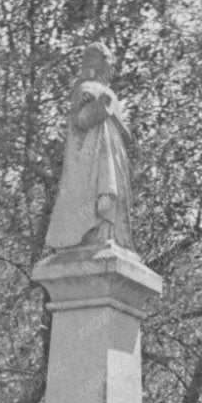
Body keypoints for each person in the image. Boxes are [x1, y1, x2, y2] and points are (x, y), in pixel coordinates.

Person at [44, 45, 134, 252]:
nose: (110, 67)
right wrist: (100, 108)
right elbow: (80, 121)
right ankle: (93, 231)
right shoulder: (85, 88)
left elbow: (125, 134)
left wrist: (115, 118)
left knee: (110, 202)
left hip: (114, 156)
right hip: (90, 160)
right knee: (97, 199)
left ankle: (108, 231)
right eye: (106, 61)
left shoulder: (110, 93)